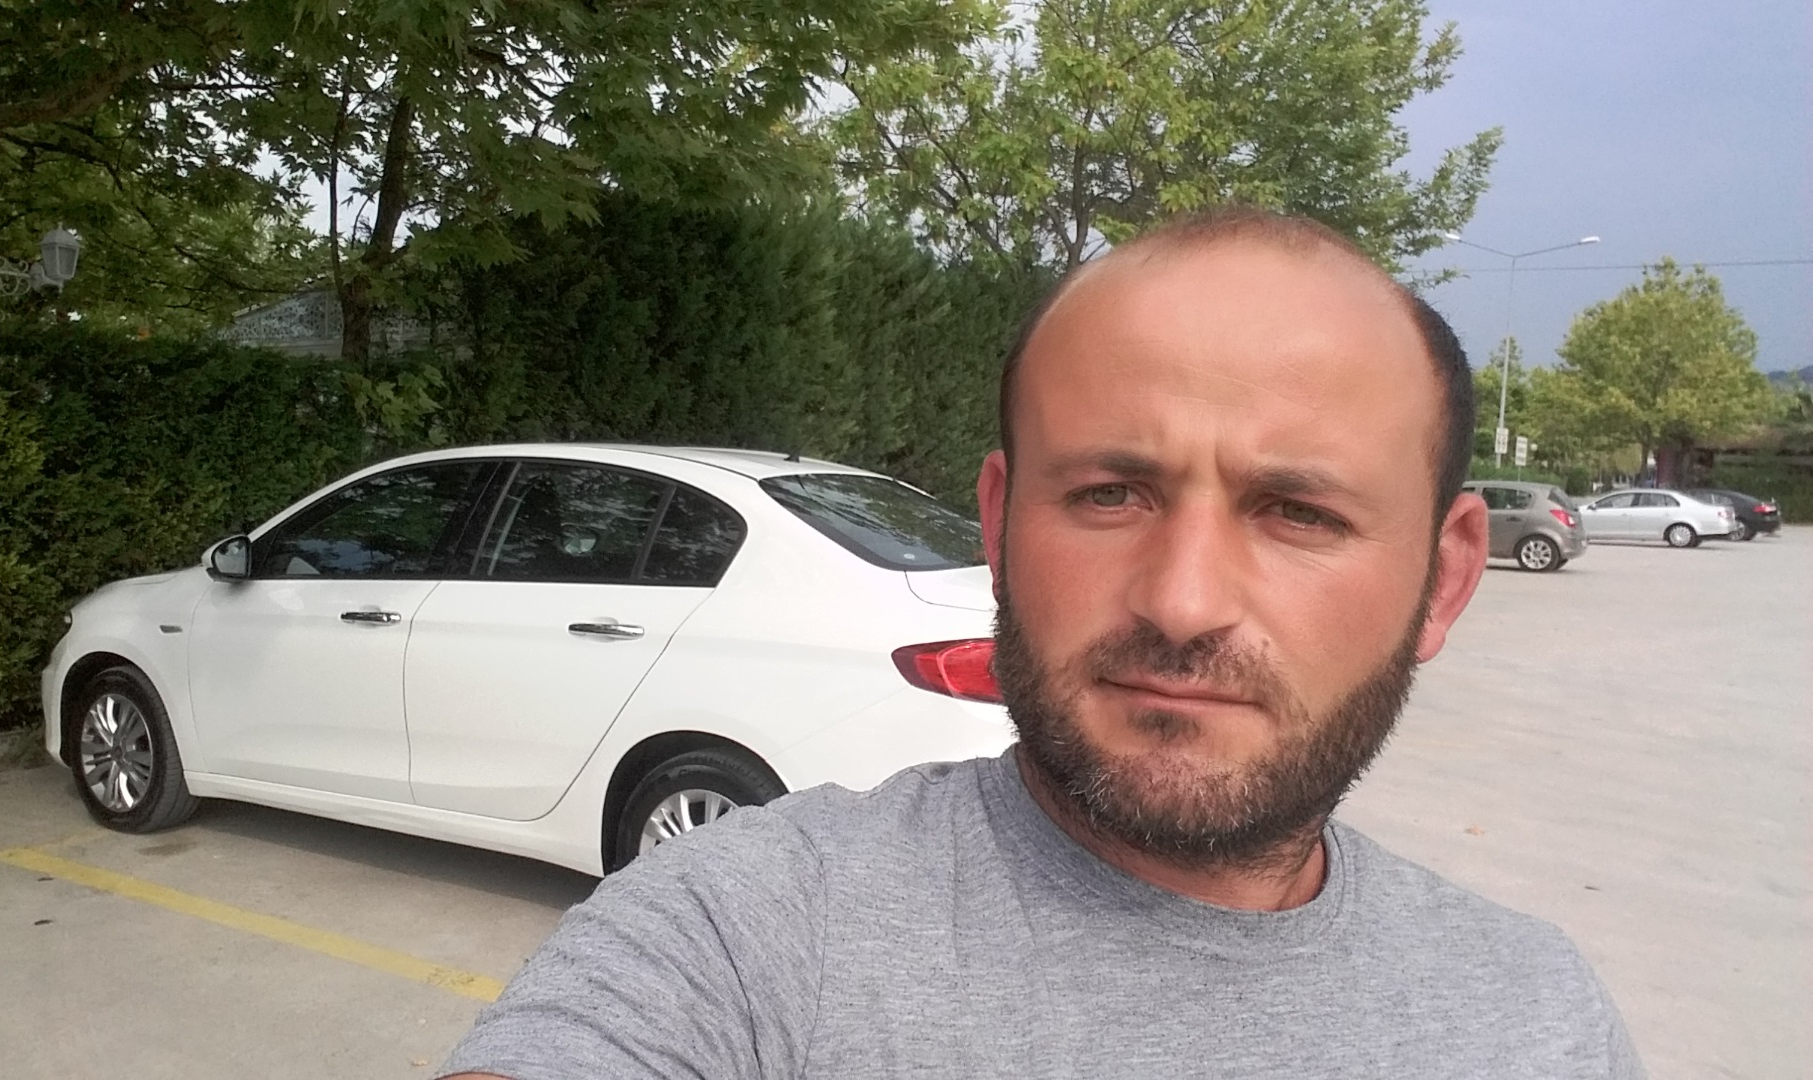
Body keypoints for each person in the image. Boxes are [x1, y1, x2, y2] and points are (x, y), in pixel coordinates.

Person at [439, 207, 1644, 1079]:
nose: (1183, 603)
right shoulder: (741, 931)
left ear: (1444, 578)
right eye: (1110, 495)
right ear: (1001, 523)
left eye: (1297, 513)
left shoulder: (1540, 1021)